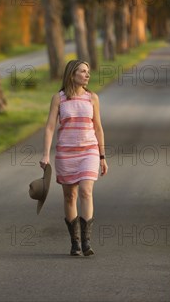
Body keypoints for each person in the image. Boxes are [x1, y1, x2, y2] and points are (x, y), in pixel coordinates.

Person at [39, 60, 108, 256]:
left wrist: (102, 156)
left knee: (86, 191)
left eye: (88, 71)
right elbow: (50, 127)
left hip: (89, 151)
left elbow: (98, 128)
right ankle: (75, 242)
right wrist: (45, 154)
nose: (87, 75)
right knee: (70, 196)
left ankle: (86, 241)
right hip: (66, 153)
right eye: (83, 71)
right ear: (72, 74)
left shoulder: (92, 98)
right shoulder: (58, 99)